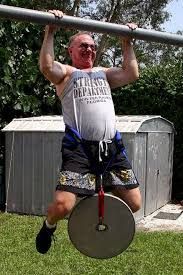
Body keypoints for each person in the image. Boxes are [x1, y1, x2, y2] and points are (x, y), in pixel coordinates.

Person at [36, 10, 141, 254]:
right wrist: (50, 30)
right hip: (80, 149)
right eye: (83, 46)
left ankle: (95, 188)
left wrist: (127, 42)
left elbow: (131, 73)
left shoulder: (104, 74)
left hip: (111, 148)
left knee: (134, 204)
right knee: (62, 206)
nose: (89, 50)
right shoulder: (67, 74)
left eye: (93, 47)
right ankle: (48, 226)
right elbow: (46, 66)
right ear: (70, 51)